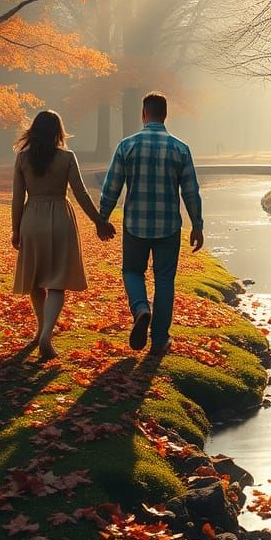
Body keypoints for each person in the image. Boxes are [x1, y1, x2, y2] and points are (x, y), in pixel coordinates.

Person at [99, 92, 203, 357]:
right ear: (165, 115)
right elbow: (190, 191)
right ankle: (159, 339)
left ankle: (141, 308)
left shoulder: (127, 145)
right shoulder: (180, 148)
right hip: (169, 226)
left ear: (144, 114)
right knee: (165, 279)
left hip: (135, 224)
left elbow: (112, 186)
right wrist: (197, 225)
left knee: (132, 272)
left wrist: (103, 216)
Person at [12, 110, 115, 359]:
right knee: (57, 281)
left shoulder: (23, 159)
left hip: (32, 218)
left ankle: (40, 331)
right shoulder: (67, 157)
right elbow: (80, 194)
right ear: (58, 131)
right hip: (60, 217)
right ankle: (46, 333)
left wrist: (16, 230)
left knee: (35, 280)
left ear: (34, 131)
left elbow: (17, 199)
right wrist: (99, 221)